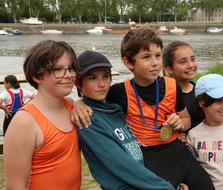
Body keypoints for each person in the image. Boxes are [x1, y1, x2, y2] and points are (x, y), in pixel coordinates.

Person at [72, 28, 215, 190]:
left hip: (179, 152)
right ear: (128, 62)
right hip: (150, 157)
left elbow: (186, 120)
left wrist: (180, 125)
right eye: (146, 57)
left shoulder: (172, 85)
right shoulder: (119, 92)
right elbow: (96, 98)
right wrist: (78, 102)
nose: (154, 62)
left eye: (158, 55)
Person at [75, 50, 176, 190]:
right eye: (92, 78)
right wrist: (165, 187)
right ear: (78, 83)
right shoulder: (88, 119)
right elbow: (122, 164)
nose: (102, 84)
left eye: (105, 76)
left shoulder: (115, 111)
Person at [4, 40, 81, 190]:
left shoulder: (71, 106)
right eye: (58, 69)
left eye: (70, 68)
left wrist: (81, 102)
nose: (69, 75)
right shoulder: (25, 122)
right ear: (36, 76)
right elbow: (14, 186)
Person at [162, 40, 205, 130]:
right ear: (169, 69)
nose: (190, 65)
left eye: (192, 59)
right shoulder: (163, 95)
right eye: (183, 62)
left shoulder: (202, 93)